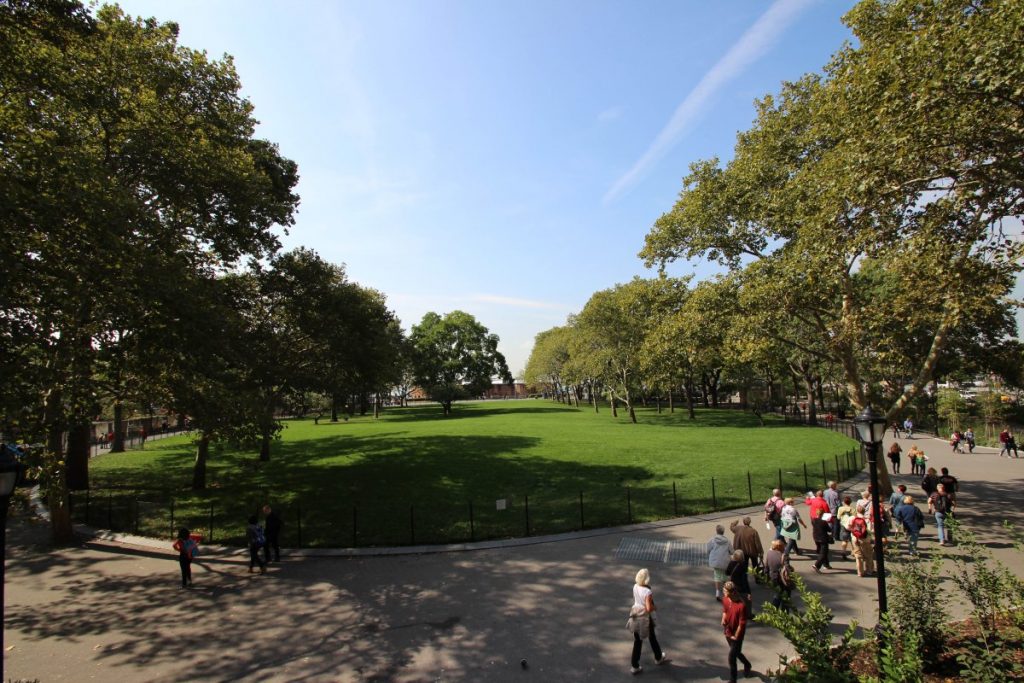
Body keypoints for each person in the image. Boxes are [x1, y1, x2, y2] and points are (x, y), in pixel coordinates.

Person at [630, 568, 669, 674]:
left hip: (636, 613)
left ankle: (634, 665)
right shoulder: (647, 591)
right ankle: (658, 657)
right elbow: (648, 607)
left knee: (637, 640)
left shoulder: (635, 586)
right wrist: (654, 607)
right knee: (652, 637)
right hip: (646, 617)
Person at [721, 581, 753, 683]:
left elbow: (742, 624)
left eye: (725, 590)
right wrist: (723, 619)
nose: (723, 591)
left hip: (737, 635)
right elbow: (725, 611)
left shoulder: (741, 606)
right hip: (728, 631)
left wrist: (736, 636)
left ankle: (733, 680)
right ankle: (747, 664)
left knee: (731, 657)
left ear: (731, 592)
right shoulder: (725, 599)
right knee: (736, 653)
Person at [763, 539, 792, 611]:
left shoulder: (769, 553)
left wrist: (766, 577)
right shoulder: (784, 556)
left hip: (773, 577)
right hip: (782, 579)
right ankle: (784, 613)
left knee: (778, 593)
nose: (784, 547)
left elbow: (766, 566)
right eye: (783, 546)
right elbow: (787, 569)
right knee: (785, 596)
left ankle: (773, 610)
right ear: (780, 547)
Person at [725, 549, 753, 618]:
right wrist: (748, 592)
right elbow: (744, 580)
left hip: (732, 586)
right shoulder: (743, 566)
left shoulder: (731, 563)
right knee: (748, 601)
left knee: (733, 601)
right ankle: (748, 614)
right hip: (740, 587)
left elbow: (727, 572)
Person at [708, 524, 733, 601]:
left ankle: (717, 593)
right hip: (725, 561)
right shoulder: (728, 541)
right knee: (725, 577)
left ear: (717, 531)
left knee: (717, 576)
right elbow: (732, 551)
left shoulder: (712, 540)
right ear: (723, 532)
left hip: (715, 561)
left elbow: (708, 549)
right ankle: (727, 592)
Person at [849, 512, 874, 577]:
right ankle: (869, 571)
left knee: (858, 557)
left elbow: (848, 527)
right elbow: (871, 530)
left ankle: (860, 572)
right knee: (868, 555)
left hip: (855, 539)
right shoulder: (867, 520)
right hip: (865, 539)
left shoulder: (852, 518)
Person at [835, 495, 855, 559]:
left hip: (843, 525)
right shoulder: (853, 509)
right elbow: (855, 518)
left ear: (844, 502)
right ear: (850, 502)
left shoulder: (841, 508)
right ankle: (853, 552)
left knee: (844, 540)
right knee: (852, 539)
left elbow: (838, 517)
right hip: (851, 525)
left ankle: (843, 552)